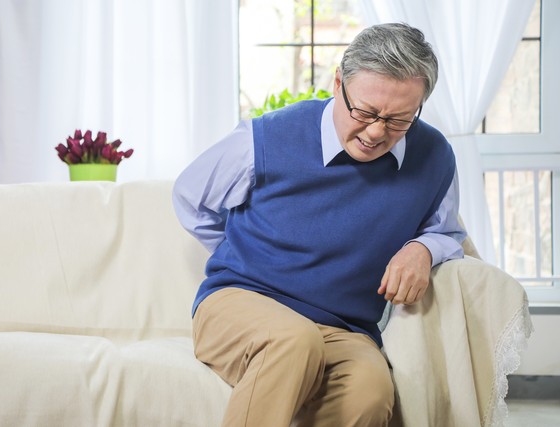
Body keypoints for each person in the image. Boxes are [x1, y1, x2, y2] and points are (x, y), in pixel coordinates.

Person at [172, 22, 466, 427]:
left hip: (344, 328)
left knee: (370, 391)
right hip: (239, 305)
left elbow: (446, 231)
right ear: (338, 83)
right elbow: (190, 195)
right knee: (293, 341)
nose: (376, 131)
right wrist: (240, 251)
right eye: (365, 112)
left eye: (399, 120)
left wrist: (423, 249)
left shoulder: (434, 156)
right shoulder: (265, 137)